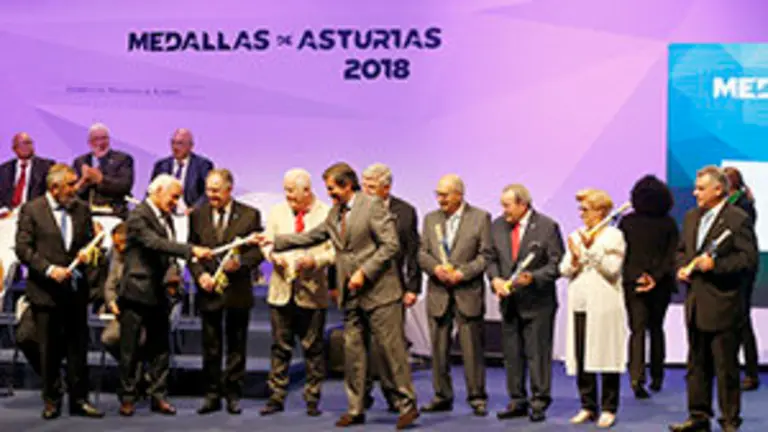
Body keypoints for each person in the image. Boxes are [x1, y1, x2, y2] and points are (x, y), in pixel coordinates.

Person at [253, 162, 419, 430]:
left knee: (391, 352)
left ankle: (407, 406)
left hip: (380, 293)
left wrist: (365, 272)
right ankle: (356, 408)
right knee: (353, 353)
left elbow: (391, 245)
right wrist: (274, 241)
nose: (329, 195)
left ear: (347, 185)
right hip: (351, 294)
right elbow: (312, 236)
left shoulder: (372, 205)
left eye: (332, 189)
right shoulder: (335, 213)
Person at [669, 166, 758, 432]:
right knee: (696, 365)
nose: (695, 193)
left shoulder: (737, 219)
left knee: (725, 368)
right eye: (695, 188)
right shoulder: (690, 217)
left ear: (718, 190)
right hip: (695, 303)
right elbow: (682, 251)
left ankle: (729, 420)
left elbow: (748, 259)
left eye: (700, 188)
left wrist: (714, 266)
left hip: (724, 304)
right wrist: (682, 267)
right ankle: (698, 416)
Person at [117, 174, 213, 417]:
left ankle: (158, 396)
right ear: (157, 192)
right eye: (174, 196)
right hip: (137, 291)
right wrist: (191, 251)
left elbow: (165, 251)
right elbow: (154, 243)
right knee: (130, 349)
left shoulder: (166, 217)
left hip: (159, 292)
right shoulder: (138, 216)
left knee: (160, 348)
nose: (177, 202)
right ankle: (127, 397)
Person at [15, 163, 104, 419]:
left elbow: (89, 243)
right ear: (54, 188)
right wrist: (48, 269)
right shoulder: (32, 210)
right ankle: (52, 399)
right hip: (45, 292)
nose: (75, 189)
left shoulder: (82, 210)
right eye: (70, 184)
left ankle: (80, 400)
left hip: (75, 292)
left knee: (78, 350)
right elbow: (23, 249)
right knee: (49, 350)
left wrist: (91, 253)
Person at [188, 169, 264, 415]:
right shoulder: (198, 215)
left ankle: (233, 394)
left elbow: (257, 252)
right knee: (210, 346)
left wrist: (240, 264)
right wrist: (200, 274)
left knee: (236, 345)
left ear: (229, 189)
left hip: (237, 291)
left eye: (216, 190)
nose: (211, 195)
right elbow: (192, 250)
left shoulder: (249, 215)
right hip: (209, 290)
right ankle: (211, 395)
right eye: (208, 190)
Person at [259, 168, 334, 417]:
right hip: (281, 288)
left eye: (293, 192)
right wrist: (273, 256)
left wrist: (315, 261)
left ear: (307, 190)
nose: (288, 196)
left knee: (312, 347)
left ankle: (312, 398)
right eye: (286, 191)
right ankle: (276, 396)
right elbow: (267, 242)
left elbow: (334, 251)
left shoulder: (326, 213)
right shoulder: (277, 211)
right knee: (280, 346)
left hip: (312, 290)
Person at [487, 184, 564, 423]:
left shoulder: (547, 226)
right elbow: (490, 257)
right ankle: (517, 400)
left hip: (538, 303)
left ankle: (539, 401)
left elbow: (556, 264)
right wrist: (495, 279)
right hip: (509, 302)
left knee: (537, 354)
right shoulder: (497, 226)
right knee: (512, 354)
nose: (503, 211)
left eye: (507, 205)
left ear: (522, 204)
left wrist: (534, 278)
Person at [418, 174, 491, 417]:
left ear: (459, 194)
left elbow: (486, 256)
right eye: (437, 194)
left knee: (472, 349)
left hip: (467, 292)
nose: (440, 200)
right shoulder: (430, 219)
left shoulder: (480, 218)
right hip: (438, 292)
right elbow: (422, 253)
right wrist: (435, 269)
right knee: (438, 350)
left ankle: (477, 396)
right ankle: (441, 395)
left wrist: (462, 273)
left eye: (445, 195)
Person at [560, 188, 627, 429]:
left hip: (605, 304)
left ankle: (609, 407)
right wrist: (576, 257)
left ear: (601, 211)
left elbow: (612, 269)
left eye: (585, 209)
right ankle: (587, 405)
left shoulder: (614, 236)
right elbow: (564, 269)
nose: (581, 214)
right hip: (580, 302)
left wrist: (592, 248)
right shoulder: (576, 234)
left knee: (607, 355)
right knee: (581, 355)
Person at [361, 163, 421, 412]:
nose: (366, 190)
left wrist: (413, 288)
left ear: (386, 189)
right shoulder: (353, 208)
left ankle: (395, 396)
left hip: (391, 287)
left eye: (372, 187)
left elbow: (412, 252)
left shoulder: (404, 211)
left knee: (390, 347)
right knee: (362, 346)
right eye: (364, 185)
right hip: (360, 285)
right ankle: (362, 396)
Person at [618, 175, 679, 398]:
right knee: (656, 328)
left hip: (633, 283)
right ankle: (657, 375)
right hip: (660, 283)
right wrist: (654, 276)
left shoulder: (627, 222)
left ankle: (636, 377)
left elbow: (622, 255)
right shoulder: (669, 223)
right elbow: (671, 255)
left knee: (637, 330)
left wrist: (637, 277)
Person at [723, 166, 760, 391]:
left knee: (742, 319)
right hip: (732, 267)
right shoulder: (740, 203)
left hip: (742, 270)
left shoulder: (742, 207)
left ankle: (751, 373)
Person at [73, 123, 135, 218]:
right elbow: (74, 191)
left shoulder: (123, 159)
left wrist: (101, 179)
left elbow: (125, 186)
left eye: (104, 138)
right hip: (86, 214)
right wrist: (84, 181)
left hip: (114, 213)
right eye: (96, 139)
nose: (100, 143)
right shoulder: (80, 162)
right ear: (89, 142)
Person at [150, 128, 214, 215]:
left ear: (191, 146)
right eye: (173, 143)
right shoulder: (161, 165)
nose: (175, 147)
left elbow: (207, 193)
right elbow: (152, 192)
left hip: (192, 214)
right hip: (165, 214)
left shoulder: (203, 165)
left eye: (180, 143)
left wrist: (194, 209)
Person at [0, 132, 54, 215]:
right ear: (14, 149)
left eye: (28, 143)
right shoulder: (4, 169)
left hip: (35, 213)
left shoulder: (46, 166)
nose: (26, 147)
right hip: (8, 214)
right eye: (21, 144)